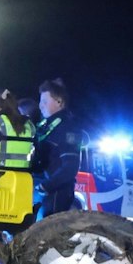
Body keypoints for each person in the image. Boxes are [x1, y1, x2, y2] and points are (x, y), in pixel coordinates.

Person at [32, 78, 82, 216]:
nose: (41, 106)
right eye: (40, 101)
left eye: (45, 101)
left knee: (47, 236)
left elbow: (70, 167)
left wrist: (45, 186)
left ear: (59, 102)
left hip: (55, 195)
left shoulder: (68, 128)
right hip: (41, 192)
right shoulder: (45, 126)